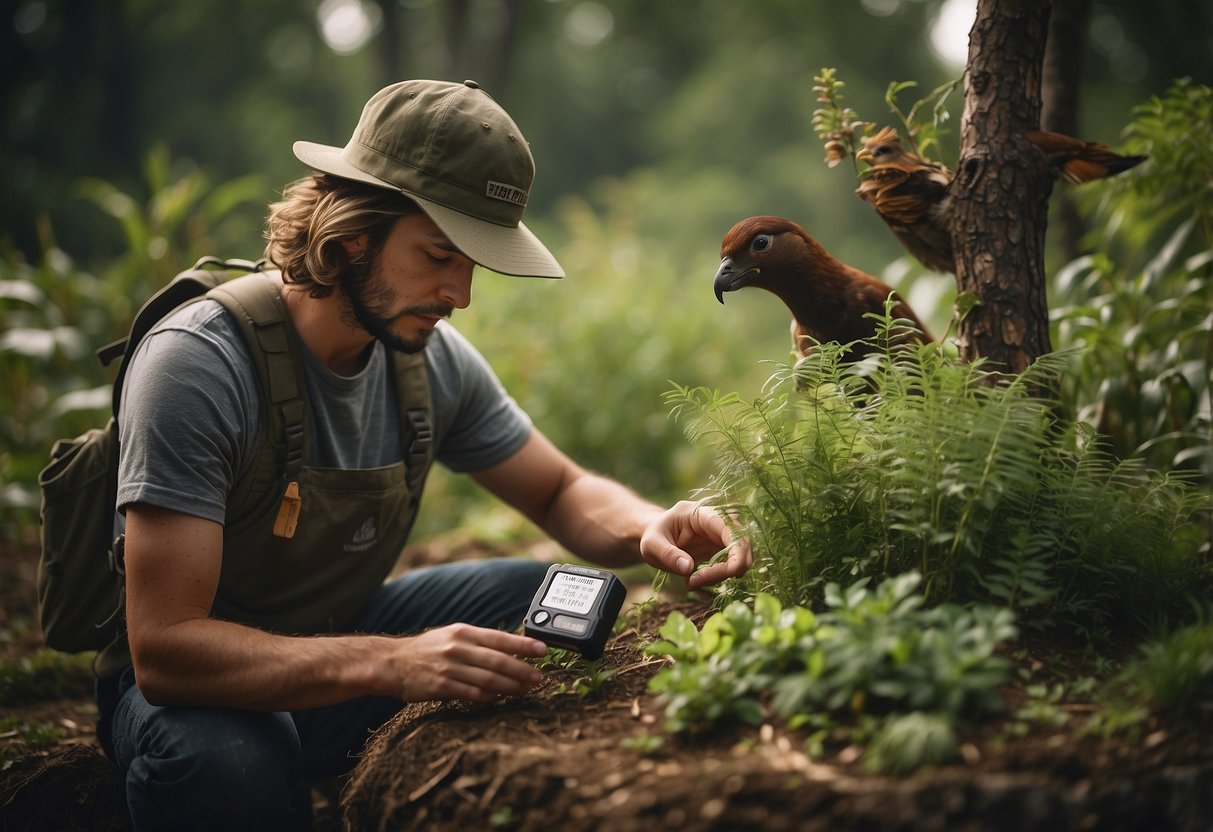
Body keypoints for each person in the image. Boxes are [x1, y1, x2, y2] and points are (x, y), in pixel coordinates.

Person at [95, 78, 751, 830]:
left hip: (336, 636)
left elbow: (558, 491)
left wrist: (649, 526)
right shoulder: (201, 364)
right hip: (193, 695)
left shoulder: (428, 359)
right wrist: (390, 663)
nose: (460, 294)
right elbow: (166, 648)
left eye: (475, 262)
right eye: (440, 254)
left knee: (544, 597)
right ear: (349, 234)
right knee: (230, 761)